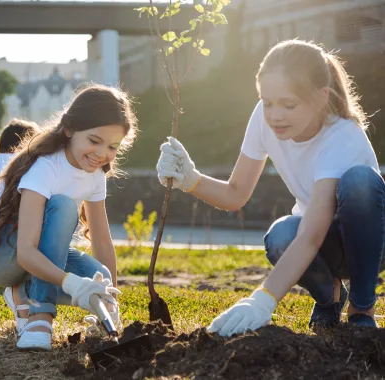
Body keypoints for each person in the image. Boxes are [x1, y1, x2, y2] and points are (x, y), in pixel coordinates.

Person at [156, 39, 382, 336]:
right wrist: (190, 179)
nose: (275, 114)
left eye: (288, 105)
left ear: (320, 97)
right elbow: (236, 193)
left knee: (360, 182)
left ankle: (362, 306)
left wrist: (263, 298)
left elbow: (312, 235)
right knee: (280, 235)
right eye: (267, 102)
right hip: (322, 243)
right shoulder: (264, 119)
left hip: (372, 241)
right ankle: (329, 300)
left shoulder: (342, 136)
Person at [0, 84, 138, 350]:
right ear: (69, 129)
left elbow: (103, 244)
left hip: (32, 252)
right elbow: (26, 252)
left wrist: (109, 301)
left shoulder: (95, 174)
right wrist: (72, 283)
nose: (102, 154)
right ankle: (40, 316)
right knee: (63, 206)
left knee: (99, 277)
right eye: (94, 141)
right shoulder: (45, 166)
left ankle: (20, 293)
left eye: (112, 146)